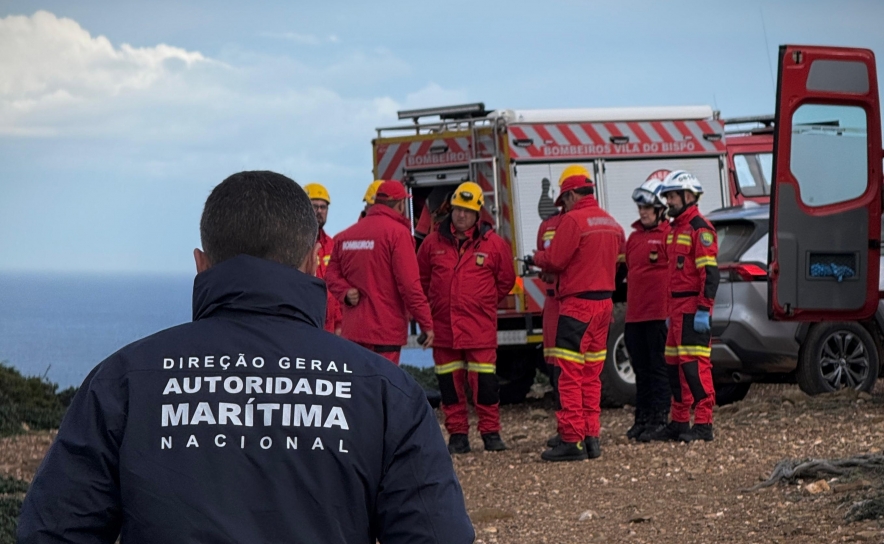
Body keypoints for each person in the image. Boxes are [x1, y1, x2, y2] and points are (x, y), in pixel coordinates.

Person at [16, 171, 474, 543]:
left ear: (200, 263)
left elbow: (53, 531)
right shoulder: (385, 391)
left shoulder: (124, 381)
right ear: (316, 261)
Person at [531, 165, 625, 462]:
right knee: (591, 375)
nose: (564, 206)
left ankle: (571, 440)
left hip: (577, 306)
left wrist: (536, 258)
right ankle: (591, 437)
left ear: (572, 195)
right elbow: (621, 265)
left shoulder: (572, 221)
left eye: (564, 200)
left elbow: (555, 260)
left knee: (569, 374)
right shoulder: (612, 224)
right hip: (604, 305)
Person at [417, 182, 516, 454]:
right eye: (458, 209)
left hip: (479, 329)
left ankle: (491, 433)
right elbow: (422, 280)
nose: (461, 215)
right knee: (449, 387)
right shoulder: (432, 243)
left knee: (485, 386)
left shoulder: (494, 245)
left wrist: (482, 302)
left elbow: (506, 280)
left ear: (478, 214)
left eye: (467, 211)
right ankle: (458, 435)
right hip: (444, 328)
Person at [640, 169, 719, 443]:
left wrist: (703, 309)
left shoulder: (700, 229)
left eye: (672, 196)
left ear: (688, 196)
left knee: (694, 367)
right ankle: (680, 421)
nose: (668, 202)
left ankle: (704, 424)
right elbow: (671, 274)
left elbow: (710, 274)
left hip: (692, 307)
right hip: (675, 309)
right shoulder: (674, 231)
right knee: (674, 367)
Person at [326, 180, 434, 364]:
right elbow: (410, 286)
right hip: (386, 333)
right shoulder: (398, 234)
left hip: (354, 332)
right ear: (401, 204)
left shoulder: (345, 237)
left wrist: (345, 292)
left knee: (359, 388)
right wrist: (426, 324)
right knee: (384, 387)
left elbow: (330, 275)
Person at [623, 171, 672, 440]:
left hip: (657, 314)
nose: (643, 212)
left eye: (648, 208)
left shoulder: (668, 235)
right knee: (640, 369)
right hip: (635, 315)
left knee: (658, 368)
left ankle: (659, 418)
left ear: (660, 210)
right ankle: (642, 418)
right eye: (641, 208)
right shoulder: (634, 239)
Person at [536, 204, 566, 449]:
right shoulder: (547, 226)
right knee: (555, 368)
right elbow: (545, 261)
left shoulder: (577, 224)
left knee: (573, 372)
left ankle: (576, 431)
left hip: (571, 301)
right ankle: (566, 429)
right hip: (553, 303)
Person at [304, 182, 341, 335]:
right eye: (314, 206)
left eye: (323, 207)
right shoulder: (295, 245)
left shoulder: (333, 245)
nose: (319, 211)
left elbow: (338, 286)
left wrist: (340, 324)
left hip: (331, 327)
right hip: (306, 322)